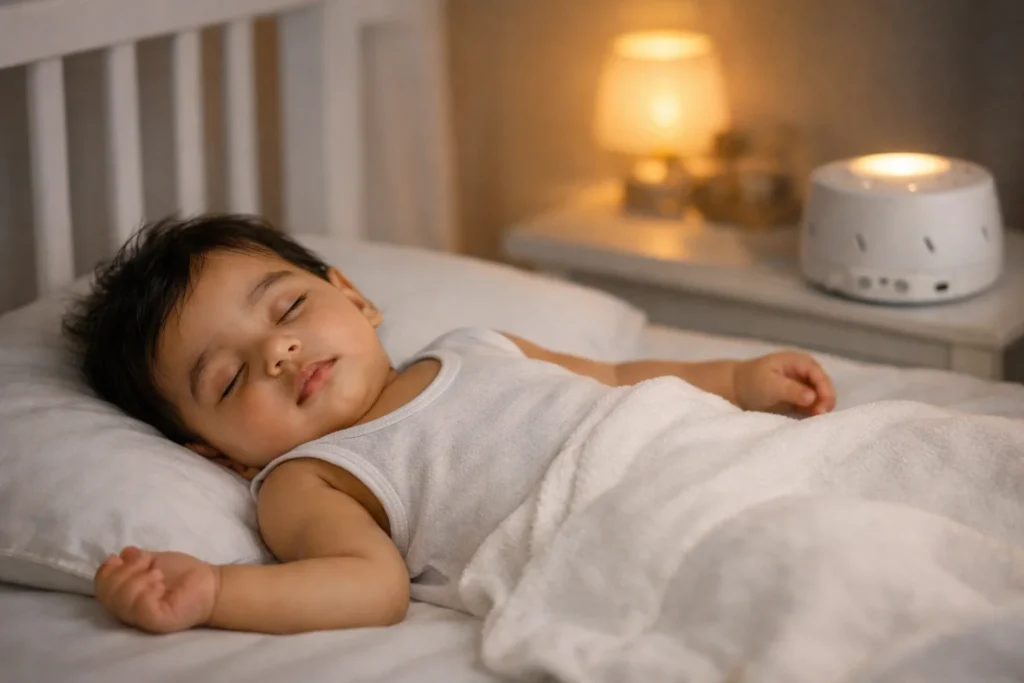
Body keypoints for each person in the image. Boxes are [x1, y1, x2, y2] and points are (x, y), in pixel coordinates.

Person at [63, 214, 836, 635]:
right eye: (229, 378)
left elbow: (613, 376)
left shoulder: (472, 344)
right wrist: (215, 590)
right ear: (217, 453)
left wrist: (735, 379)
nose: (277, 351)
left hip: (695, 448)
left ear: (355, 297)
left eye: (289, 306)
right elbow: (370, 586)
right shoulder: (311, 476)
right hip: (625, 523)